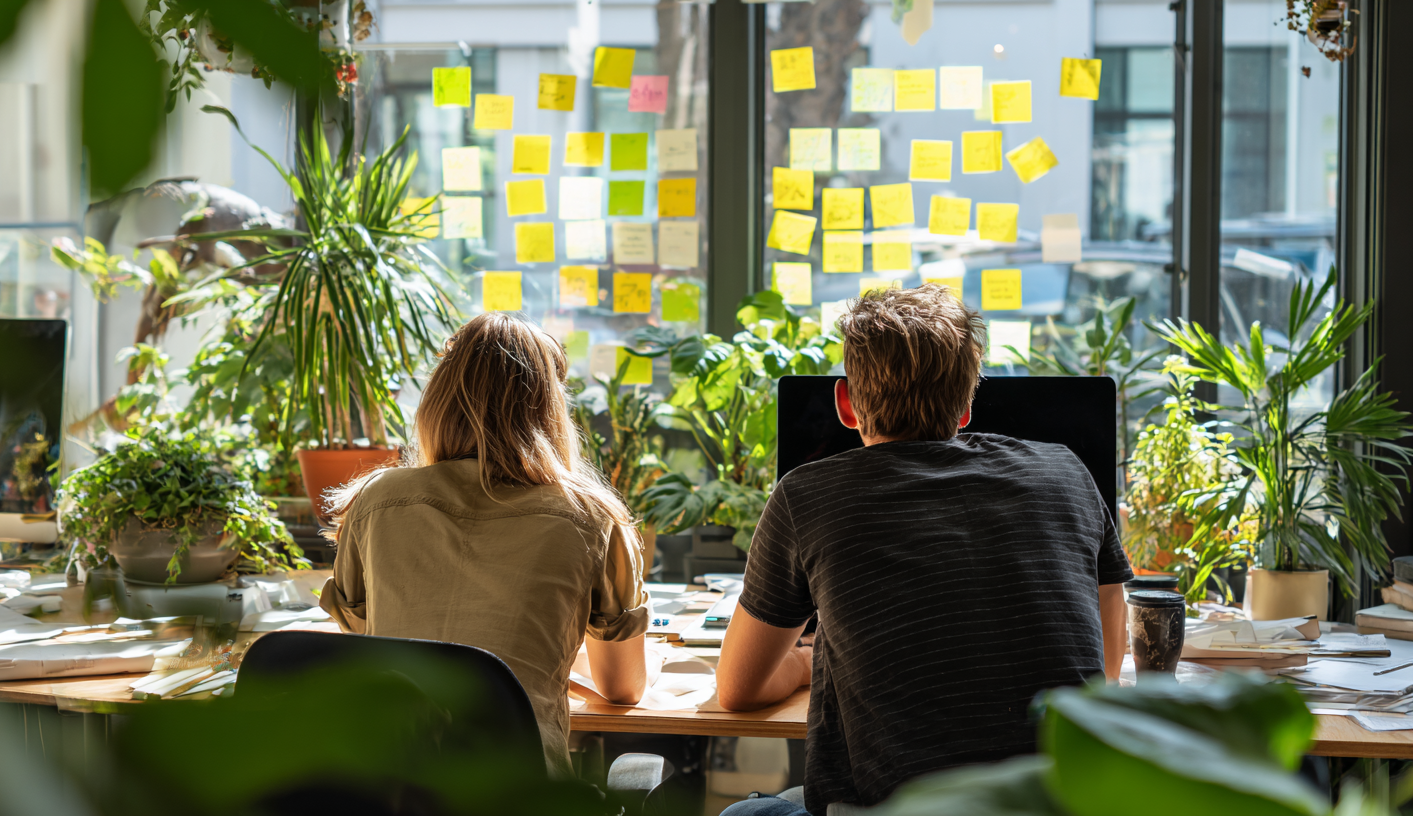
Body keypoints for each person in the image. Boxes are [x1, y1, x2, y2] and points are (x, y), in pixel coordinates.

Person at [715, 284, 1131, 816]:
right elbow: (1108, 669)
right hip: (1061, 805)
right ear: (966, 407)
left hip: (893, 809)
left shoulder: (806, 495)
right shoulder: (1068, 472)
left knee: (747, 813)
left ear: (845, 404)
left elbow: (739, 689)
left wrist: (804, 662)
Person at [319, 312, 652, 779]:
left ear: (437, 401)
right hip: (517, 797)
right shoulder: (591, 517)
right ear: (550, 409)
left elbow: (371, 646)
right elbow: (622, 689)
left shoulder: (376, 501)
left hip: (387, 790)